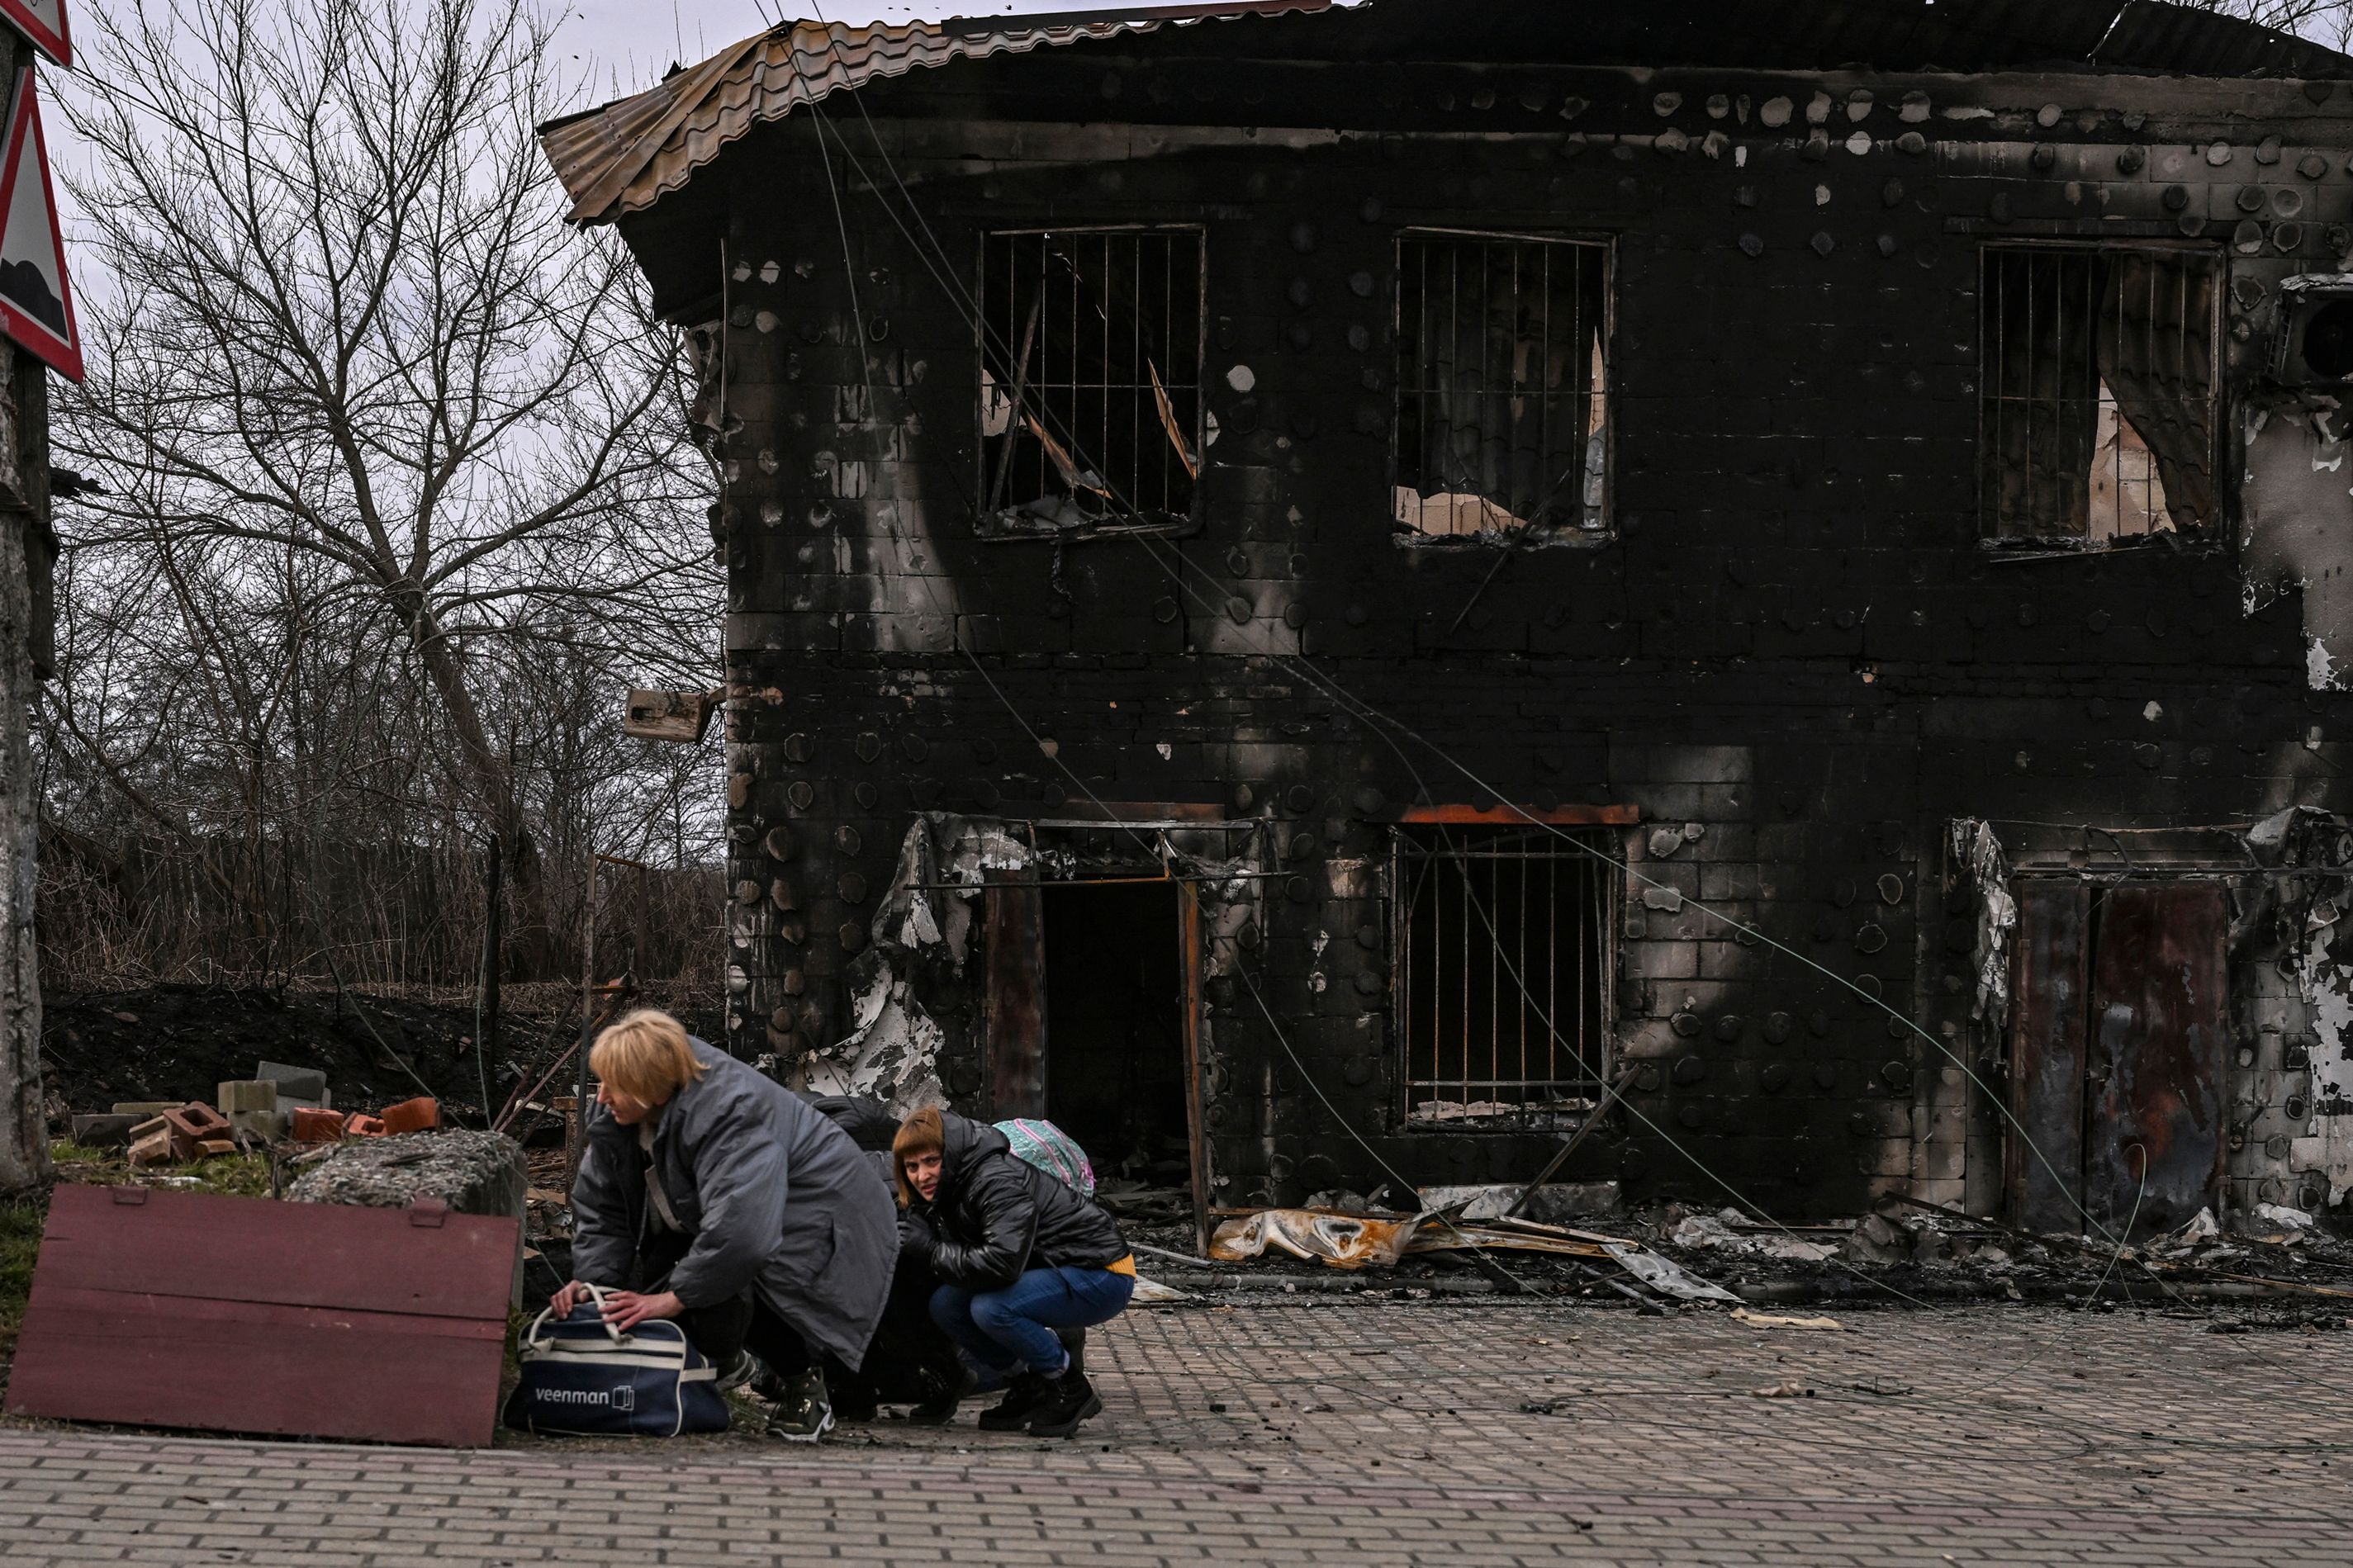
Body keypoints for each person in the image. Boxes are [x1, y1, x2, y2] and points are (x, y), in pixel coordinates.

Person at [553, 1009, 896, 1442]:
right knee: (661, 1289)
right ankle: (729, 1363)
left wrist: (675, 1298)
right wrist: (593, 1283)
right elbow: (603, 1209)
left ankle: (806, 1391)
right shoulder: (623, 1113)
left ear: (653, 1090)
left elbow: (745, 1236)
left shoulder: (732, 1112)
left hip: (826, 1214)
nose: (601, 1098)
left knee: (750, 1282)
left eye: (613, 1085)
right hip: (731, 1218)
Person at [894, 1106, 1136, 1438]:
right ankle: (1027, 1385)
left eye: (931, 1161)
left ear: (948, 1155)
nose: (922, 1175)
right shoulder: (950, 1183)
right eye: (912, 1166)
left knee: (992, 1308)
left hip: (1101, 1272)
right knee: (946, 1305)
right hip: (1045, 1268)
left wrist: (931, 1249)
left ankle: (1068, 1385)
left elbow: (1000, 1264)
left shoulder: (996, 1180)